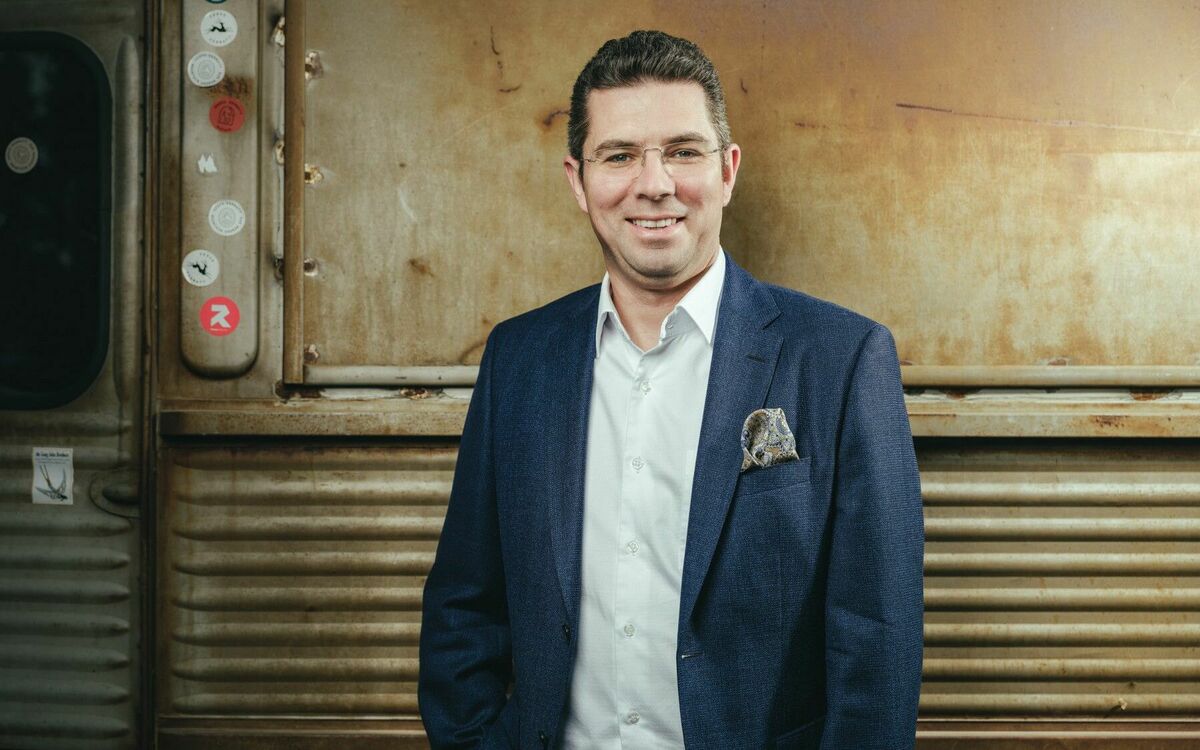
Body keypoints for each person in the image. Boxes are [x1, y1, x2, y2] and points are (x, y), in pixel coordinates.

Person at [419, 30, 923, 750]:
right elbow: (464, 606)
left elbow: (878, 641)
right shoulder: (519, 360)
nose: (653, 183)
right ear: (577, 181)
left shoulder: (841, 359)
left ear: (727, 170)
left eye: (683, 151)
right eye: (619, 155)